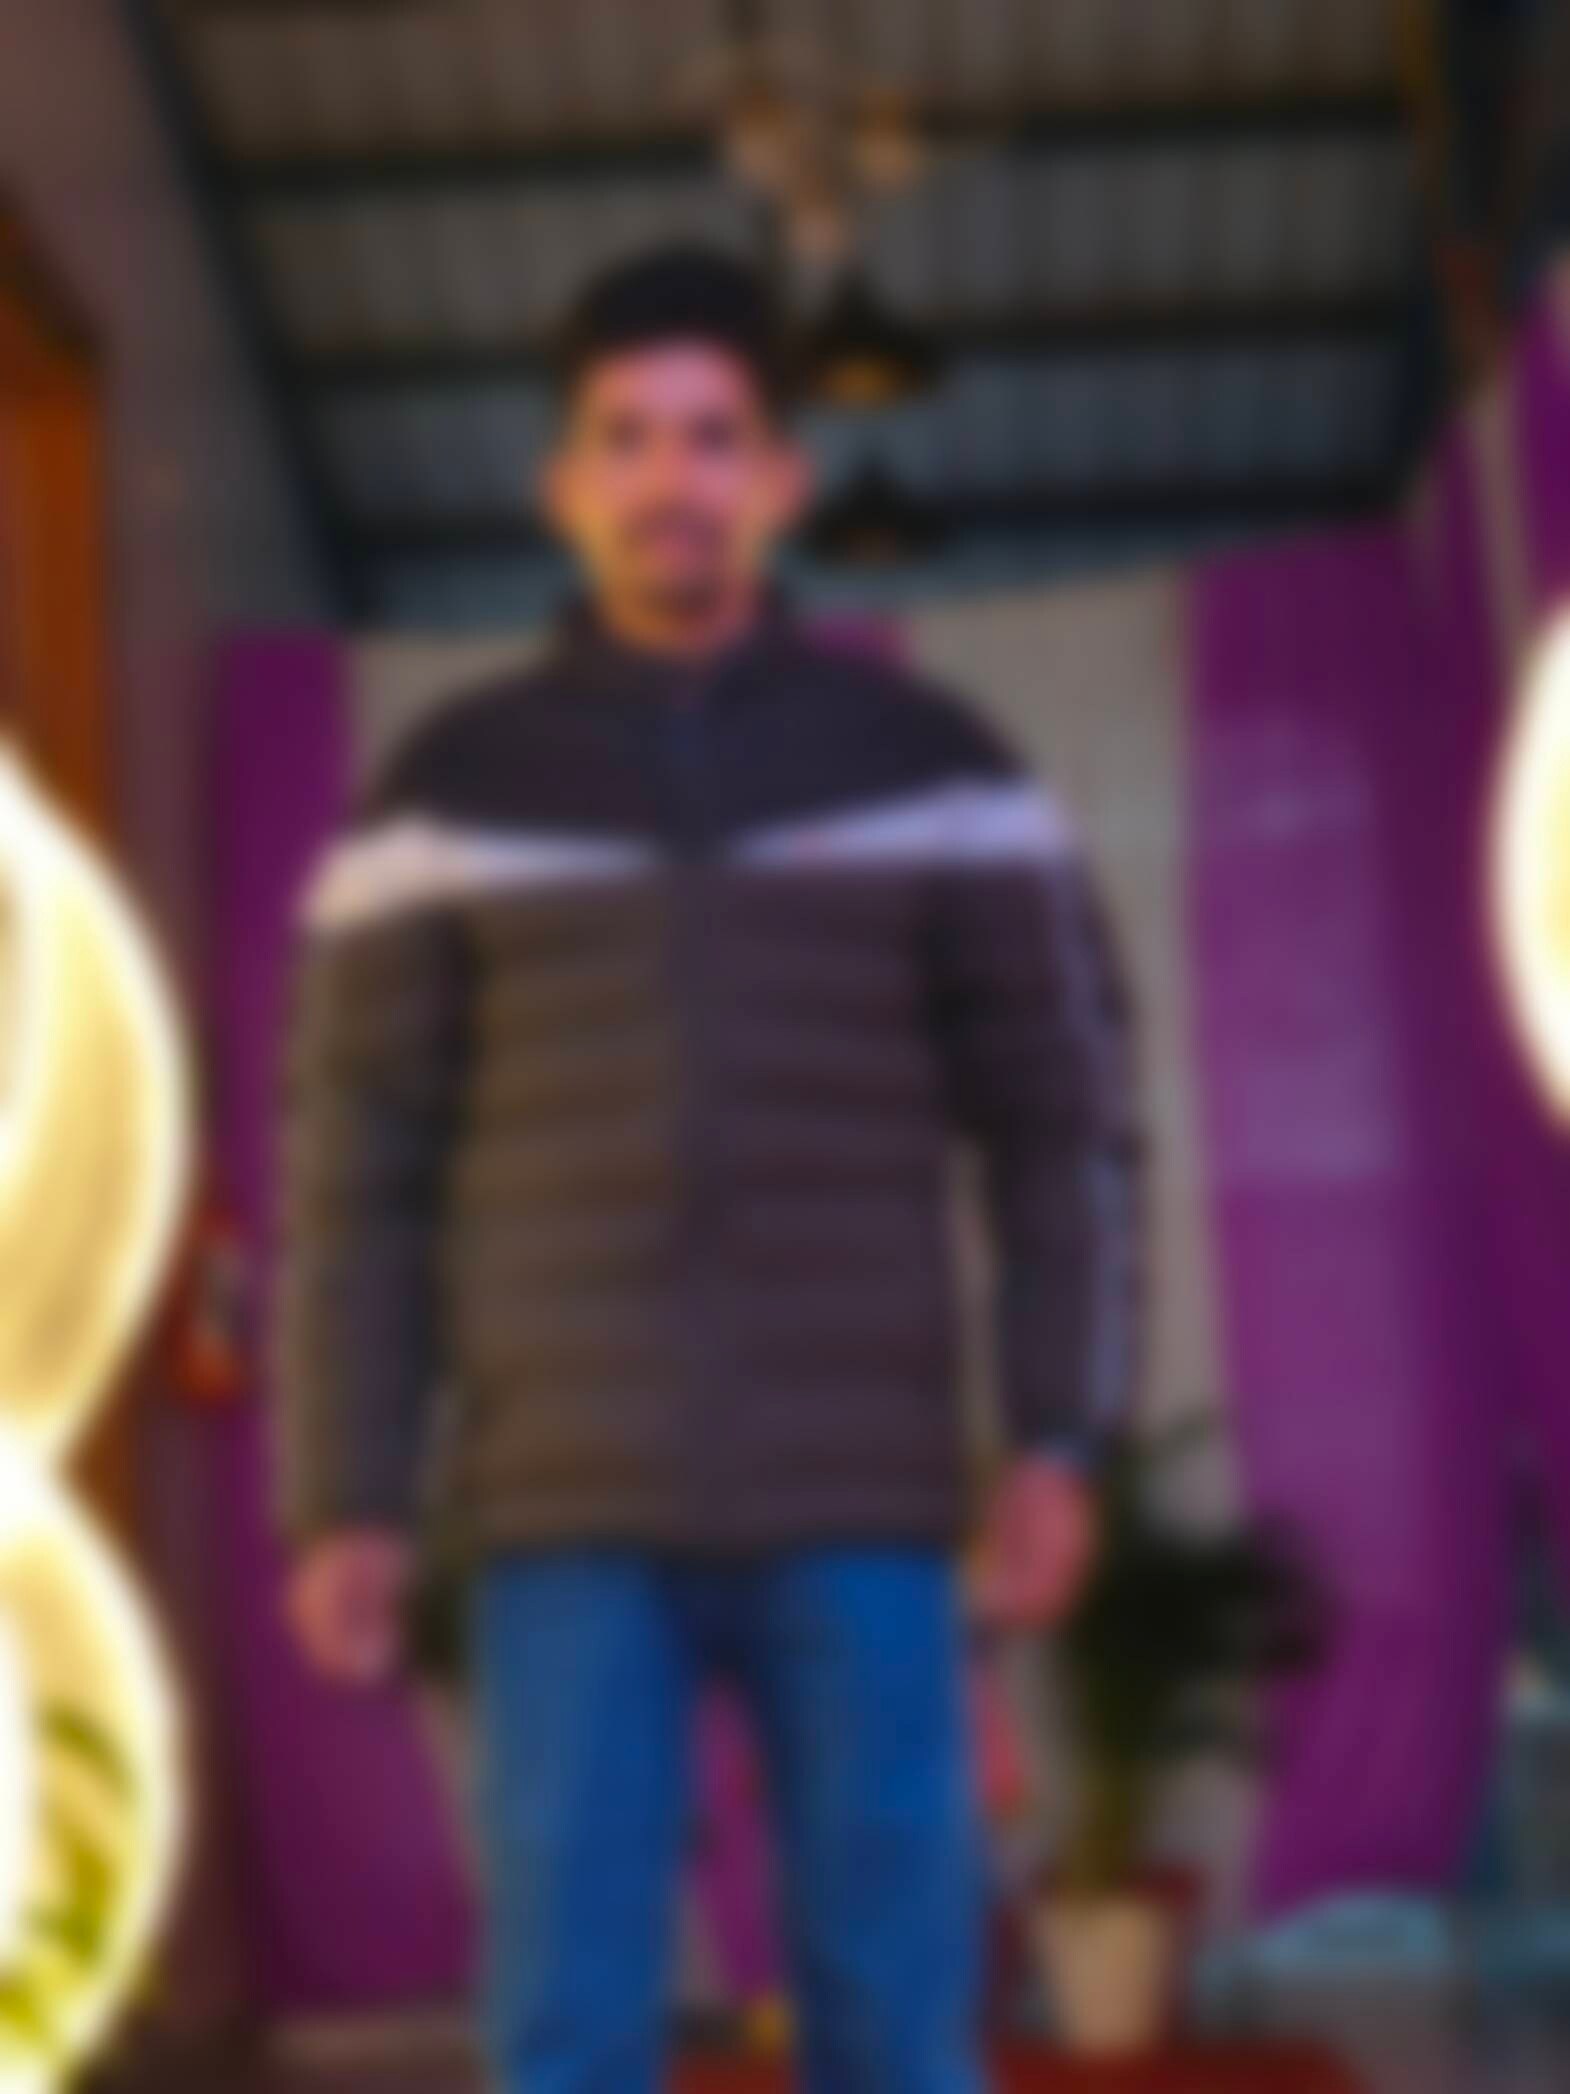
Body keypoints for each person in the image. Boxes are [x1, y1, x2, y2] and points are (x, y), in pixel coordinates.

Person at [278, 245, 1142, 2094]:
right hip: (564, 1512)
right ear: (562, 485)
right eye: (626, 438)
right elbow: (359, 1163)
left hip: (863, 1504)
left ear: (780, 480)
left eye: (713, 437)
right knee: (567, 2036)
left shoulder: (939, 767)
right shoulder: (441, 789)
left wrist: (1058, 1435)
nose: (670, 477)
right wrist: (347, 1486)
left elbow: (1061, 1117)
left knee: (898, 2032)